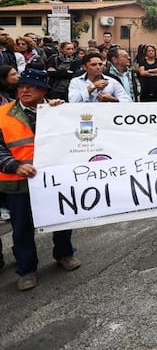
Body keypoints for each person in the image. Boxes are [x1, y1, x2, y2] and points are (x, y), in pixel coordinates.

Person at [0, 68, 80, 290]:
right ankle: (26, 270)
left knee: (63, 219)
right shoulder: (3, 114)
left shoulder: (57, 110)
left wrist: (61, 112)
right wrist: (15, 165)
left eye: (31, 86)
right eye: (21, 86)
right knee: (22, 227)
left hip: (56, 180)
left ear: (43, 89)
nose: (24, 90)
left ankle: (64, 254)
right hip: (19, 184)